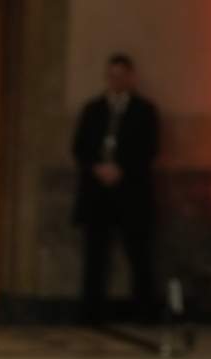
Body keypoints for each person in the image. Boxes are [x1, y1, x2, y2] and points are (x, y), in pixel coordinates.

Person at [72, 53, 159, 324]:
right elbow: (80, 147)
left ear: (130, 77)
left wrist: (122, 169)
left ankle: (144, 311)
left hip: (130, 192)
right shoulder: (94, 109)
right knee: (95, 254)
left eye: (122, 76)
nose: (116, 81)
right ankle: (91, 312)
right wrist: (98, 168)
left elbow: (149, 148)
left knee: (138, 253)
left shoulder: (144, 111)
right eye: (112, 76)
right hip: (98, 192)